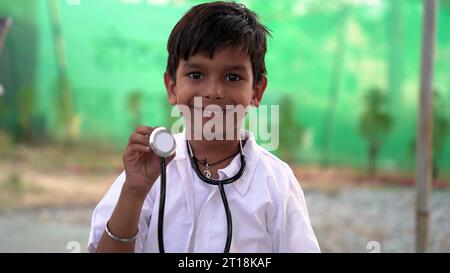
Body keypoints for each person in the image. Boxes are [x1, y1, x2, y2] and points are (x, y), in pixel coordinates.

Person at [88, 1, 320, 253]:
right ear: (172, 87)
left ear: (256, 91)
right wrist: (134, 191)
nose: (213, 92)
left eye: (232, 77)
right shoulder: (151, 172)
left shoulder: (275, 182)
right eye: (196, 75)